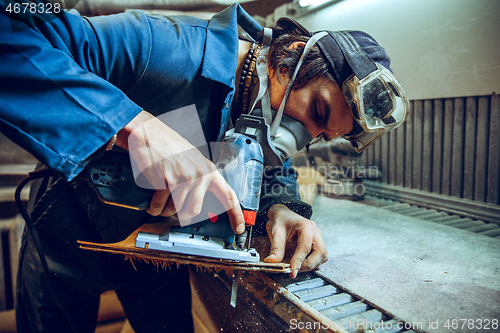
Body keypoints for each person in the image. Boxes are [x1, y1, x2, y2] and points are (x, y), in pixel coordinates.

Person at [0, 1, 409, 332]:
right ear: (292, 58)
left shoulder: (263, 110)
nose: (302, 136)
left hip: (158, 251)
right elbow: (12, 35)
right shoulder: (164, 49)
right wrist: (133, 125)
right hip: (66, 236)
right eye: (317, 110)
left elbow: (267, 164)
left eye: (320, 134)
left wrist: (282, 209)